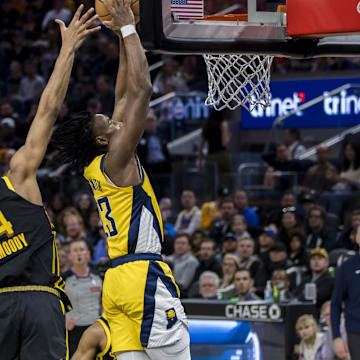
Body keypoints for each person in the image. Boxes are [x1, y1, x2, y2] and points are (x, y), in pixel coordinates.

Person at [52, 1, 190, 358]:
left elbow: (122, 94)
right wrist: (130, 29)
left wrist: (121, 38)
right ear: (102, 140)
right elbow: (141, 92)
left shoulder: (97, 165)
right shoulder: (117, 158)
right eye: (108, 123)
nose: (116, 122)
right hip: (143, 276)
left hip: (116, 281)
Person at [0, 6, 99, 360]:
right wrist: (68, 48)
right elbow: (46, 110)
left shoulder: (17, 175)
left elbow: (45, 110)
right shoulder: (19, 175)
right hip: (39, 301)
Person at [64, 239, 103, 357]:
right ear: (70, 256)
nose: (79, 253)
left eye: (82, 250)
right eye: (75, 251)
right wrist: (62, 321)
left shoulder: (99, 276)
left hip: (96, 328)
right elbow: (54, 304)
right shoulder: (63, 279)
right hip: (73, 330)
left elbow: (105, 302)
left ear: (88, 254)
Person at [331, 225, 360, 360]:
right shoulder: (347, 267)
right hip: (356, 332)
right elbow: (335, 304)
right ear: (357, 238)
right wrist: (336, 337)